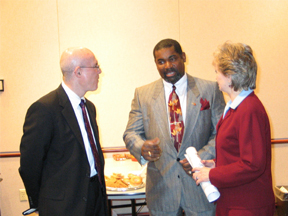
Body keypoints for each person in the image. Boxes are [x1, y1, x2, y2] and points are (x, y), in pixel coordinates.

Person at [123, 39, 225, 216]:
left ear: (183, 57)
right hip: (162, 190)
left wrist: (200, 157)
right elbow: (131, 132)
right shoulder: (143, 94)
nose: (167, 65)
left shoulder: (210, 89)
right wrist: (142, 147)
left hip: (200, 187)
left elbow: (222, 133)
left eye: (172, 58)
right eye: (161, 61)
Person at [19, 47, 108, 216]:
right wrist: (44, 202)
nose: (100, 71)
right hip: (63, 207)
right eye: (95, 66)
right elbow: (30, 165)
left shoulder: (89, 108)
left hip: (95, 198)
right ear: (78, 72)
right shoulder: (45, 109)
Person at [192, 42, 275, 216]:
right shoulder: (236, 107)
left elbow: (252, 164)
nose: (216, 78)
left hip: (247, 205)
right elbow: (238, 153)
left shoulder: (249, 109)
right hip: (233, 202)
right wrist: (216, 164)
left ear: (229, 76)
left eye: (217, 72)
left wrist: (213, 175)